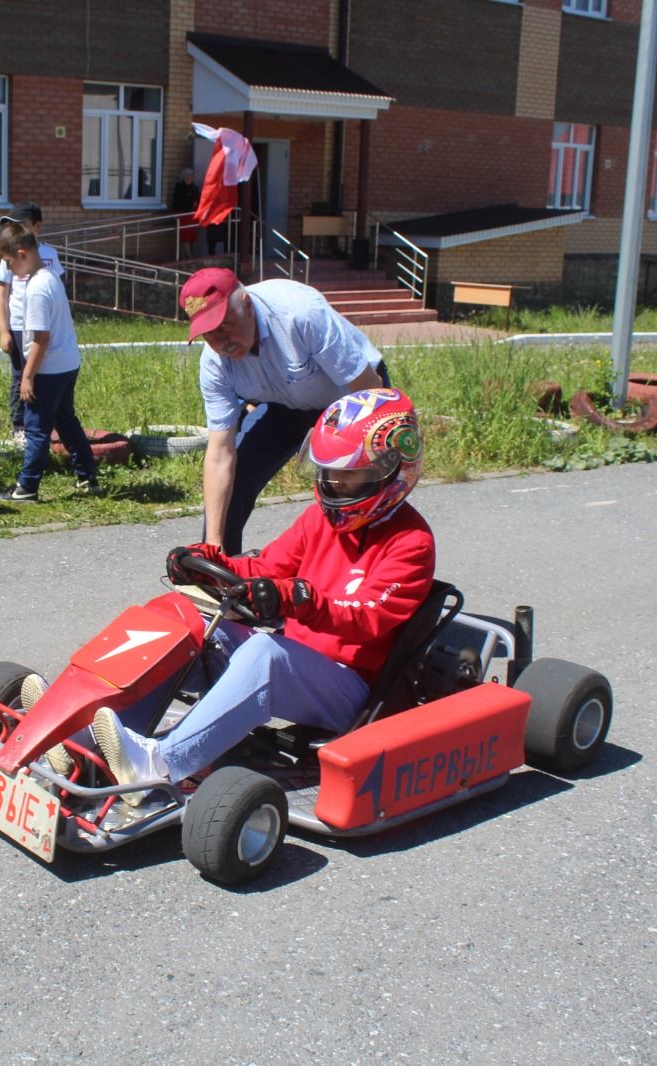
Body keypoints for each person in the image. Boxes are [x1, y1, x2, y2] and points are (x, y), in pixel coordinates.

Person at [78, 388, 435, 804]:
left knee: (265, 655)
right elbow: (267, 568)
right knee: (189, 628)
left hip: (350, 688)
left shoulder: (412, 543)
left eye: (348, 473)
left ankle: (159, 764)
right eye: (328, 471)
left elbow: (366, 618)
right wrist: (205, 562)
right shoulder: (320, 518)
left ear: (392, 468)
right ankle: (93, 739)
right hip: (296, 658)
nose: (334, 483)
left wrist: (299, 599)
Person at [181, 266, 388, 556]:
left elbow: (369, 391)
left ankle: (369, 572)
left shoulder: (300, 314)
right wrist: (212, 543)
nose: (221, 340)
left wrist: (359, 454)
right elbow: (219, 454)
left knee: (350, 490)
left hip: (354, 399)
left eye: (225, 324)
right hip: (285, 406)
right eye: (208, 333)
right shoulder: (214, 363)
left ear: (247, 305)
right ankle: (221, 574)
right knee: (236, 478)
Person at [0, 223, 99, 502]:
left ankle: (27, 486)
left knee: (36, 426)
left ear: (22, 253)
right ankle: (87, 475)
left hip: (48, 368)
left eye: (9, 262)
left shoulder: (37, 288)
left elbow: (41, 338)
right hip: (67, 363)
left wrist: (27, 377)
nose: (10, 270)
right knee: (66, 420)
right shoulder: (50, 276)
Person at [0, 201, 62, 448]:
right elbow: (1, 294)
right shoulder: (10, 255)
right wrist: (4, 330)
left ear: (37, 226)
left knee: (43, 373)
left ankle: (43, 421)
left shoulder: (50, 254)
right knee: (21, 375)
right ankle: (19, 425)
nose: (15, 231)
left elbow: (59, 288)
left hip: (44, 324)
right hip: (20, 324)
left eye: (20, 225)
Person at [170, 166, 200, 257]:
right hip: (183, 214)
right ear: (185, 176)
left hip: (191, 215)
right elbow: (177, 200)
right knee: (185, 237)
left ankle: (184, 255)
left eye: (192, 176)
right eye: (190, 176)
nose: (191, 177)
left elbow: (197, 199)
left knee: (190, 237)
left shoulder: (194, 187)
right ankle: (188, 255)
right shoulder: (180, 187)